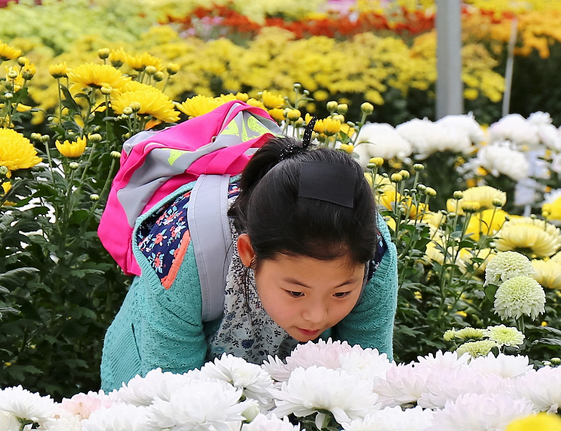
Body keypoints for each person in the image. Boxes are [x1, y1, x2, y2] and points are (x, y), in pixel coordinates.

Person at [100, 133, 398, 393]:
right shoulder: (184, 251)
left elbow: (368, 376)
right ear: (248, 252)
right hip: (151, 374)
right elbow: (171, 393)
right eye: (296, 292)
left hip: (296, 385)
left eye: (341, 293)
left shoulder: (374, 251)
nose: (316, 316)